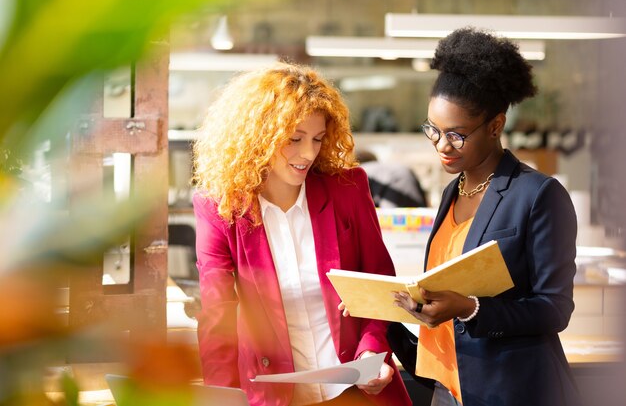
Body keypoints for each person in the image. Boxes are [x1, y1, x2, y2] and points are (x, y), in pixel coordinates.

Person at [192, 62, 412, 406]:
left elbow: (380, 284)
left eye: (317, 139)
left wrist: (373, 350)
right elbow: (216, 318)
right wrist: (222, 398)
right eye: (294, 139)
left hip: (358, 393)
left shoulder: (348, 190)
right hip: (277, 396)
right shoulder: (220, 208)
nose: (308, 153)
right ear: (258, 138)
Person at [390, 28, 583, 406]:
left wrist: (470, 308)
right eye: (434, 130)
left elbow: (555, 308)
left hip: (510, 391)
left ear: (495, 125)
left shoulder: (538, 195)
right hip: (447, 389)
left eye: (457, 135)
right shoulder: (451, 192)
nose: (443, 146)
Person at [356, 149, 428, 208]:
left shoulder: (360, 172)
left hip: (393, 194)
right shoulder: (383, 168)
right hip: (409, 193)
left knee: (393, 222)